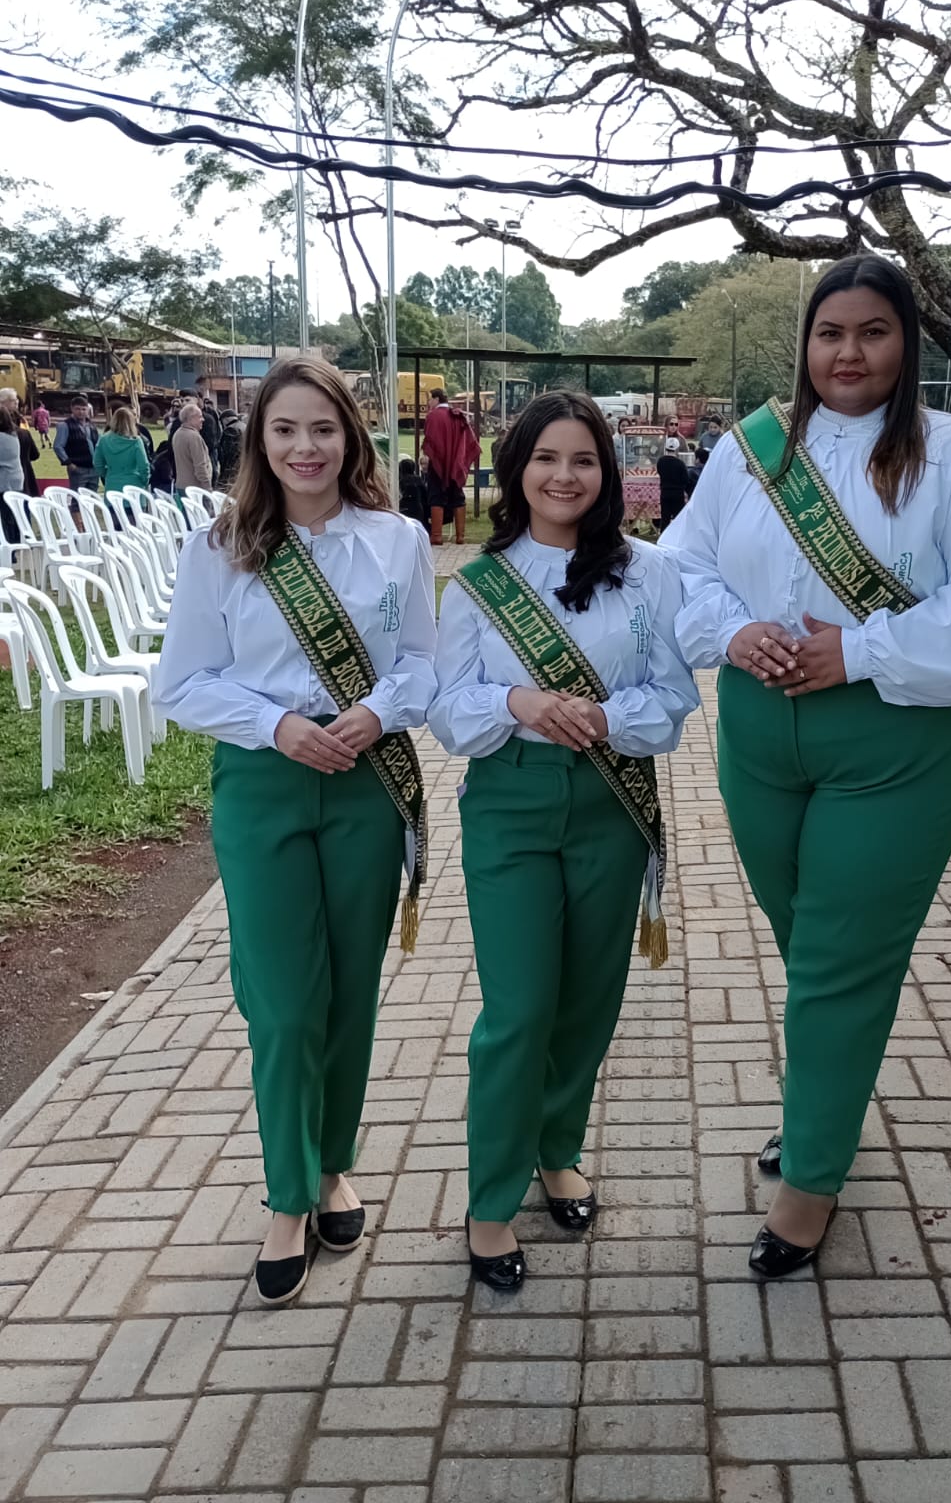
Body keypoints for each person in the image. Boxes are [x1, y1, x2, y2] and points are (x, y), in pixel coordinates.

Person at [663, 254, 951, 1278]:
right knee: (809, 946)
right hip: (759, 733)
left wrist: (862, 650)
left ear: (905, 344)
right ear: (805, 344)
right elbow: (682, 564)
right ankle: (823, 1108)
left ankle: (811, 1179)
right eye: (829, 333)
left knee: (840, 960)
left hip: (895, 743)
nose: (848, 353)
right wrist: (735, 630)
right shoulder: (749, 451)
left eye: (872, 332)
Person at [155, 356, 437, 1307]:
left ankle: (331, 1168)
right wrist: (275, 724)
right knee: (282, 1002)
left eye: (323, 428)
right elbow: (181, 682)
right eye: (285, 430)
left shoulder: (398, 541)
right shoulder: (221, 545)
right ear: (258, 440)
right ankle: (286, 1197)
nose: (305, 448)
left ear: (350, 436)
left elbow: (422, 662)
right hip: (264, 783)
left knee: (349, 993)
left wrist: (377, 710)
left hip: (364, 780)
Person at [429, 389, 698, 1292]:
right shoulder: (479, 581)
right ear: (516, 470)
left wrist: (606, 718)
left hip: (609, 801)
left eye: (583, 459)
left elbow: (673, 698)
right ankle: (489, 1202)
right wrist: (519, 701)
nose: (564, 475)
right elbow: (447, 711)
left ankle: (557, 1151)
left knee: (587, 999)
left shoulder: (650, 573)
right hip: (509, 802)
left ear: (606, 473)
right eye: (546, 458)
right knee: (517, 1011)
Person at [423, 387, 480, 547]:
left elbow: (431, 439)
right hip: (456, 463)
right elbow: (468, 439)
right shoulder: (457, 416)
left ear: (436, 399)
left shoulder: (433, 416)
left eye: (430, 399)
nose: (429, 403)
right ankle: (460, 536)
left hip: (438, 463)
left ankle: (437, 536)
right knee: (457, 497)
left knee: (436, 495)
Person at [94, 406, 151, 497]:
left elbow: (97, 463)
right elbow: (144, 465)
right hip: (134, 485)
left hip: (112, 483)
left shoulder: (103, 439)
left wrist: (107, 474)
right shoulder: (136, 441)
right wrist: (145, 481)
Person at [53, 396, 100, 490]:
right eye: (77, 409)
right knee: (77, 496)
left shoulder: (92, 425)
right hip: (78, 468)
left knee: (92, 496)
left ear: (88, 410)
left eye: (83, 409)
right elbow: (58, 446)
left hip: (93, 468)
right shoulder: (65, 425)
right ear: (72, 409)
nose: (81, 412)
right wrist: (69, 463)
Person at [172, 402, 213, 493]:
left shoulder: (177, 434)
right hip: (195, 489)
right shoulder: (194, 437)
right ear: (191, 418)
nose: (203, 419)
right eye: (200, 417)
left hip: (182, 485)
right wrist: (208, 488)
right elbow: (200, 466)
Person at [655, 434, 690, 529]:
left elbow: (659, 472)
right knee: (678, 518)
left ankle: (663, 534)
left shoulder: (660, 461)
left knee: (665, 518)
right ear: (677, 449)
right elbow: (686, 479)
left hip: (665, 493)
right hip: (678, 494)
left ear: (665, 448)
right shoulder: (680, 464)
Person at [0, 409, 24, 542]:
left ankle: (9, 546)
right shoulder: (12, 435)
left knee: (6, 519)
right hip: (14, 480)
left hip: (4, 482)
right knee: (11, 516)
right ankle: (13, 544)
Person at [398, 455, 429, 528]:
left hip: (403, 508)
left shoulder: (400, 481)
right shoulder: (418, 479)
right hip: (417, 509)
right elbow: (425, 494)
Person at [218, 409, 244, 486]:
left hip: (234, 466)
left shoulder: (230, 430)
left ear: (225, 419)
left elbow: (228, 452)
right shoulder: (243, 426)